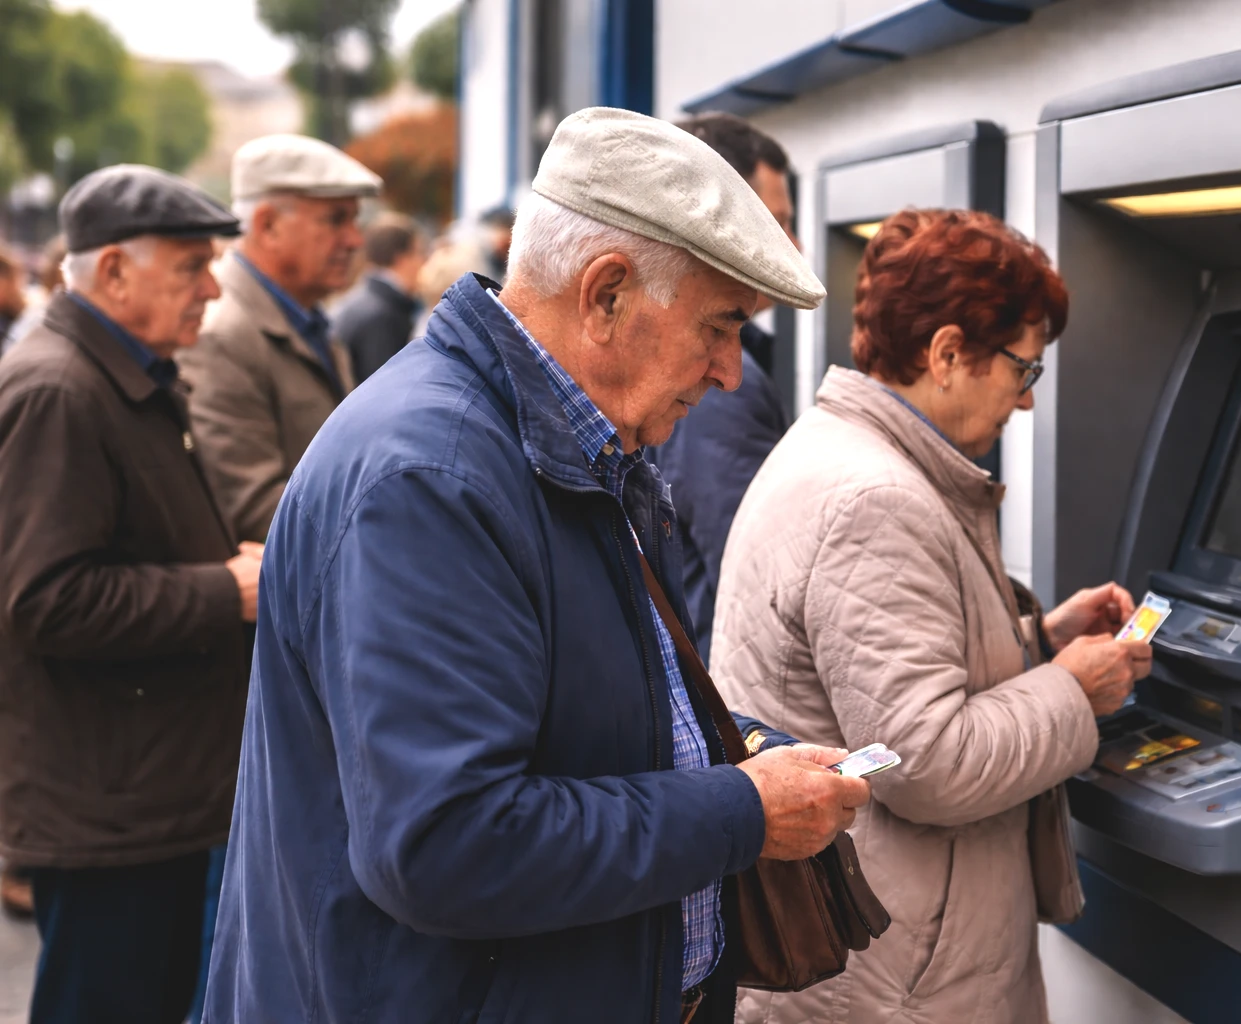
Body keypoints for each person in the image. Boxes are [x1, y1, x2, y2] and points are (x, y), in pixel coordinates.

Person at [205, 107, 871, 1024]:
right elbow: (446, 844)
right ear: (606, 294)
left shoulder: (547, 439)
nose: (728, 372)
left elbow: (573, 709)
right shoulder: (432, 475)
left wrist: (733, 744)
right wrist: (741, 812)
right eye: (720, 327)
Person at [712, 208, 1155, 1023]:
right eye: (1023, 369)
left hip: (885, 956)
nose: (1025, 402)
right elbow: (922, 761)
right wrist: (1070, 689)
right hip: (899, 980)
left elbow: (874, 680)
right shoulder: (875, 498)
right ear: (948, 353)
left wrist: (1038, 640)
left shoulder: (840, 450)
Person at [0, 165, 262, 1024]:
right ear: (113, 271)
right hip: (111, 807)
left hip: (146, 791)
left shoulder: (126, 372)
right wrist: (224, 591)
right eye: (191, 266)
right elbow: (49, 599)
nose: (212, 286)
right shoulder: (59, 389)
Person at [179, 133, 381, 542]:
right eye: (336, 219)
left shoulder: (305, 316)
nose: (355, 240)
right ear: (267, 226)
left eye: (354, 220)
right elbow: (252, 508)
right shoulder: (223, 334)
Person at [650, 112, 798, 662]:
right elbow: (753, 575)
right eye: (778, 223)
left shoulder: (726, 364)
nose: (796, 244)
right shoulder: (720, 390)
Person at [334, 212, 426, 384]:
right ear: (402, 258)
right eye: (418, 253)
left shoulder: (364, 301)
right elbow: (386, 389)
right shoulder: (383, 315)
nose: (423, 262)